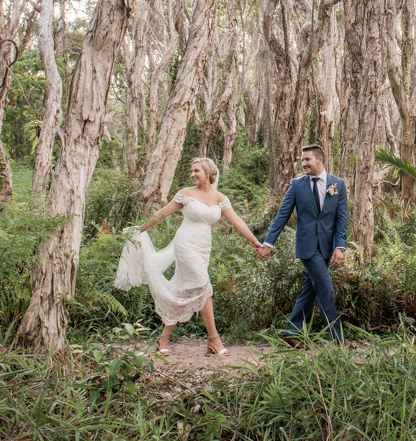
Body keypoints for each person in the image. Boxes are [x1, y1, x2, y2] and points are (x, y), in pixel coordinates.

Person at [115, 157, 263, 356]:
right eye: (192, 171)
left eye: (196, 171)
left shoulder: (220, 198)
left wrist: (254, 241)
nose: (193, 174)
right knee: (204, 286)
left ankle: (163, 339)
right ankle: (214, 340)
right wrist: (139, 229)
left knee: (182, 291)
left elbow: (236, 220)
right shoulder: (186, 194)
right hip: (185, 245)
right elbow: (163, 213)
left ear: (208, 173)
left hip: (203, 248)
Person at [256, 144, 349, 346]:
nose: (303, 163)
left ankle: (291, 332)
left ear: (319, 160)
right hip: (308, 247)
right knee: (325, 289)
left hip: (327, 247)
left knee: (310, 290)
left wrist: (339, 246)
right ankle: (338, 339)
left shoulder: (338, 184)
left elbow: (342, 218)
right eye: (302, 160)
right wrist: (268, 243)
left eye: (307, 160)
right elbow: (282, 215)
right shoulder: (297, 185)